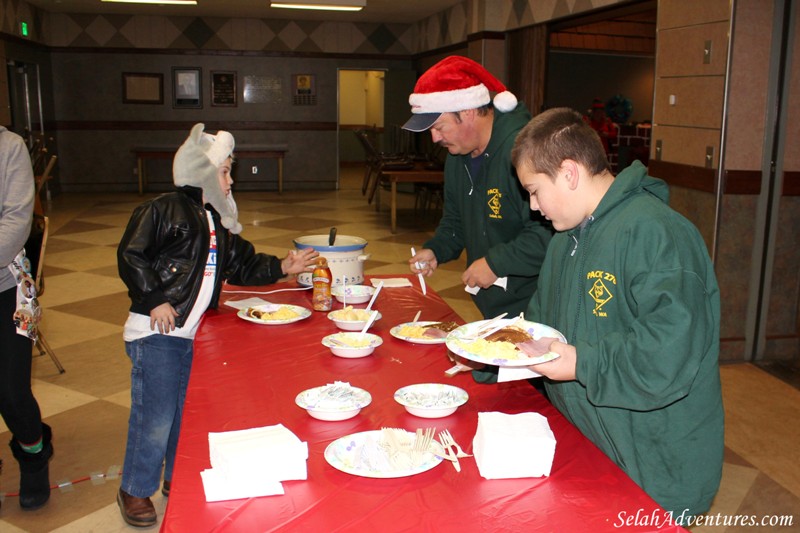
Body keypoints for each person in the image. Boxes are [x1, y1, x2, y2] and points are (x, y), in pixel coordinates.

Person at [507, 107, 724, 518]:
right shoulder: (564, 240)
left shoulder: (658, 234)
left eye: (534, 190)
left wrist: (579, 361)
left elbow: (666, 356)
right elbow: (538, 326)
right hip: (594, 448)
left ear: (569, 173)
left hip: (654, 464)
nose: (533, 207)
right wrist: (487, 356)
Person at [116, 123, 317, 527]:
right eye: (224, 171)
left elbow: (242, 264)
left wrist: (282, 267)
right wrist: (155, 299)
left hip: (187, 334)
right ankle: (135, 489)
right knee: (154, 416)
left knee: (181, 411)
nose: (230, 179)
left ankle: (175, 476)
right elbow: (131, 255)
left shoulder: (218, 225)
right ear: (202, 173)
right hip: (157, 333)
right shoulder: (163, 209)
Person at [403, 56, 552, 319]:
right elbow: (455, 221)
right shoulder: (456, 158)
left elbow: (548, 235)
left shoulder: (522, 153)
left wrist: (496, 263)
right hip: (494, 305)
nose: (434, 138)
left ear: (468, 112)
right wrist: (436, 249)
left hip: (537, 304)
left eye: (439, 126)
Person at [0, 126, 53, 511]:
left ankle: (34, 454)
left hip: (6, 289)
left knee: (11, 392)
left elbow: (16, 223)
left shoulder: (8, 147)